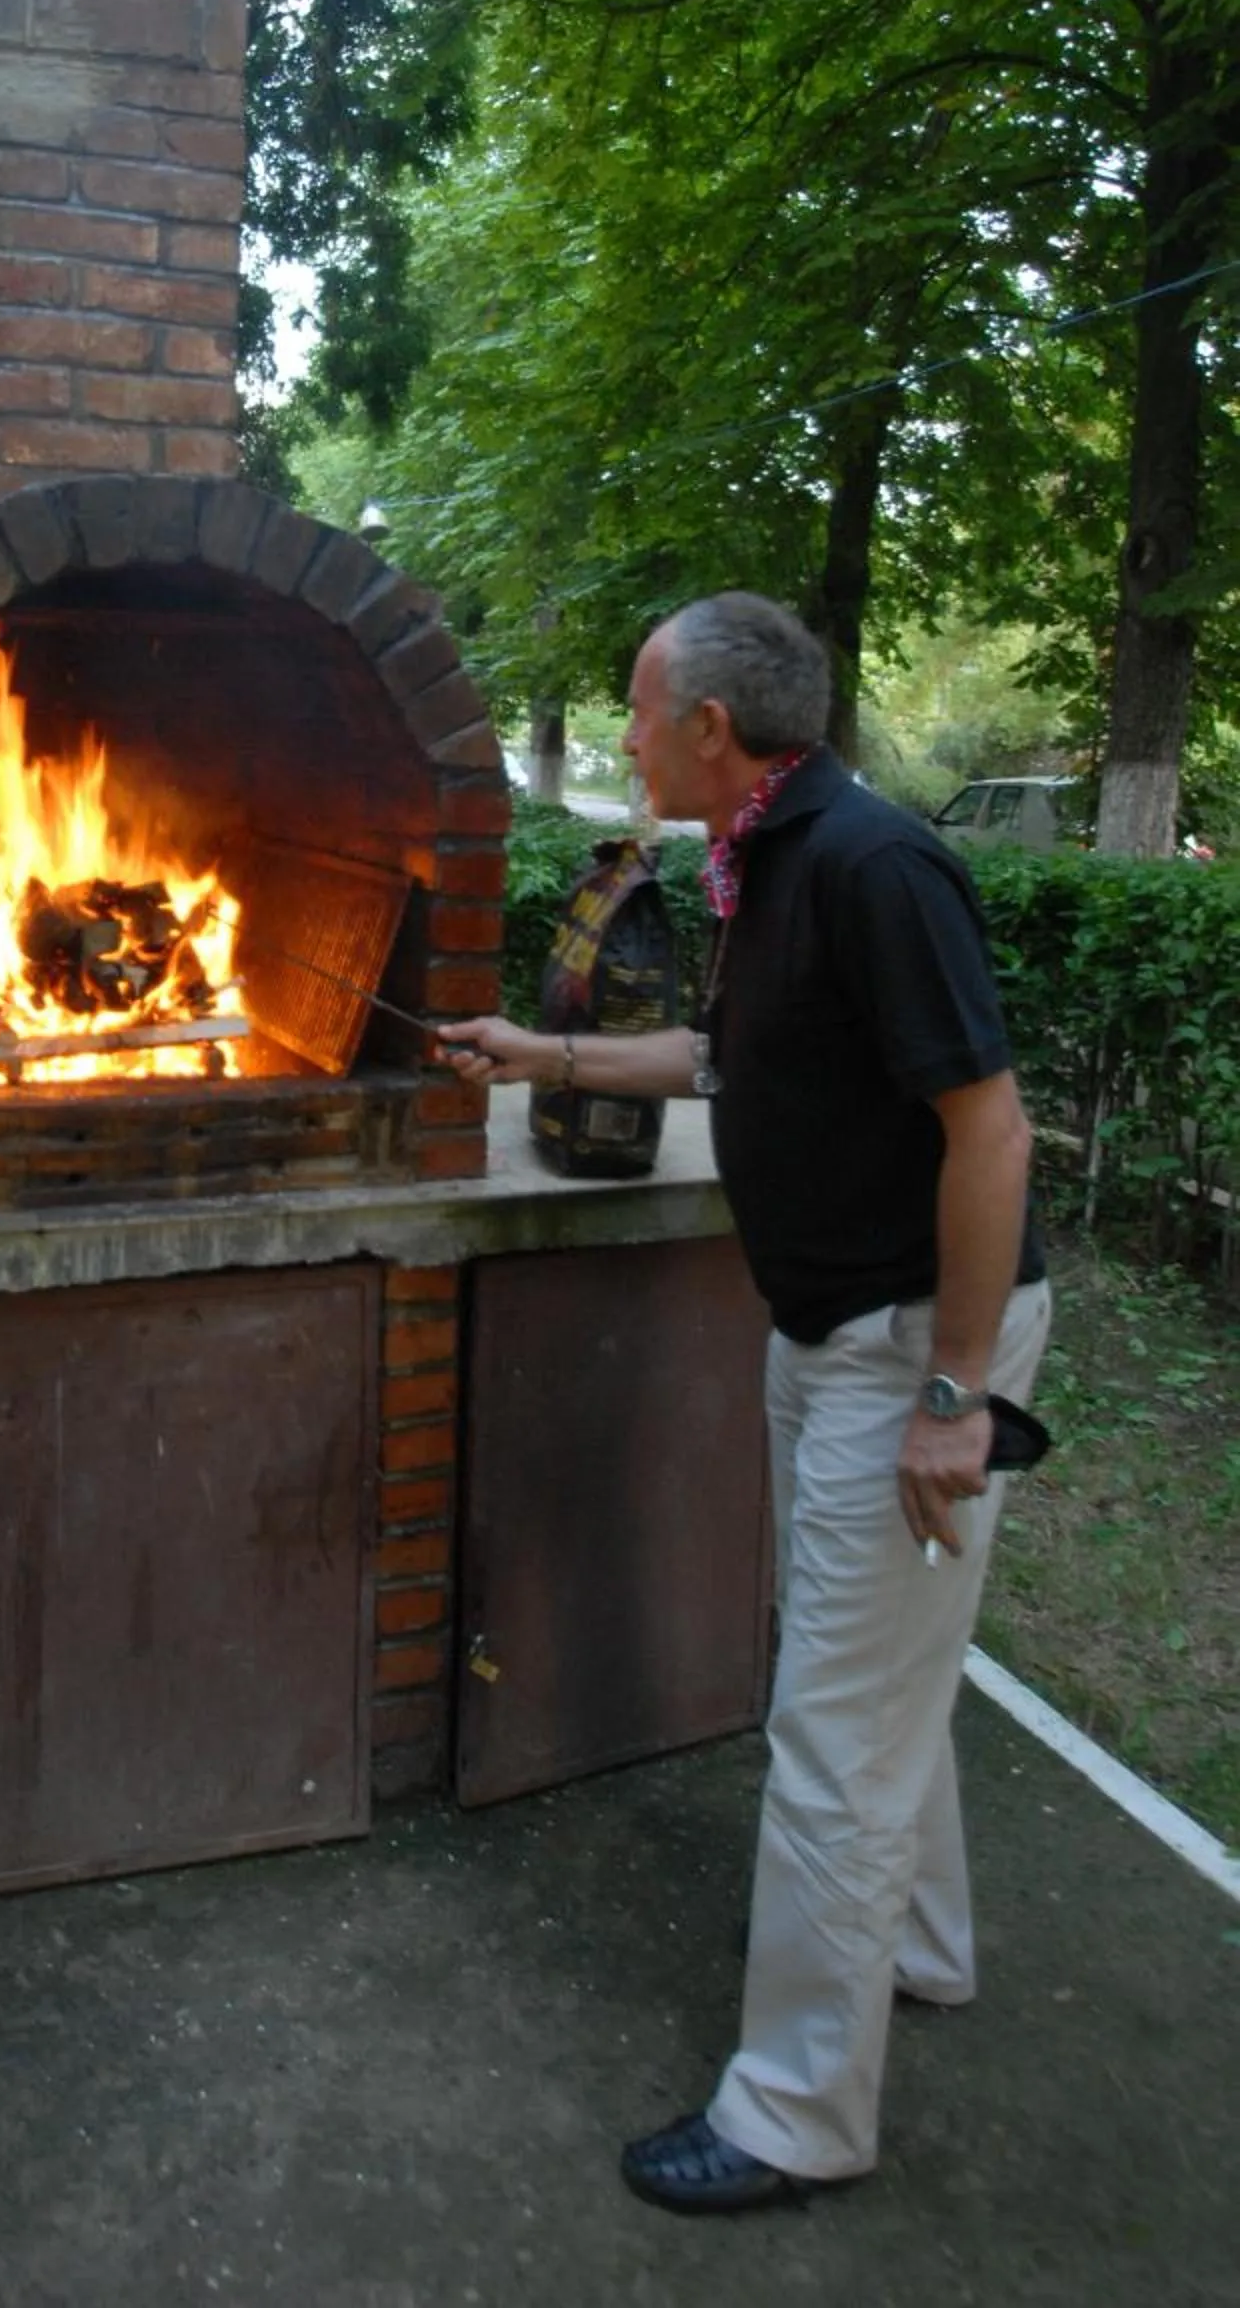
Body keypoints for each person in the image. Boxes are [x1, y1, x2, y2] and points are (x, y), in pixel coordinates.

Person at [439, 591, 1050, 2216]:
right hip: (831, 1331)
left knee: (831, 1732)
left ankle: (796, 2114)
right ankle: (911, 1948)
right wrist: (536, 1055)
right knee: (874, 1673)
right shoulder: (765, 859)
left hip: (906, 1343)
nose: (626, 735)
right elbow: (726, 1060)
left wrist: (954, 1394)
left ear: (714, 727)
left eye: (640, 711)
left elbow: (991, 1135)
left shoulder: (870, 864)